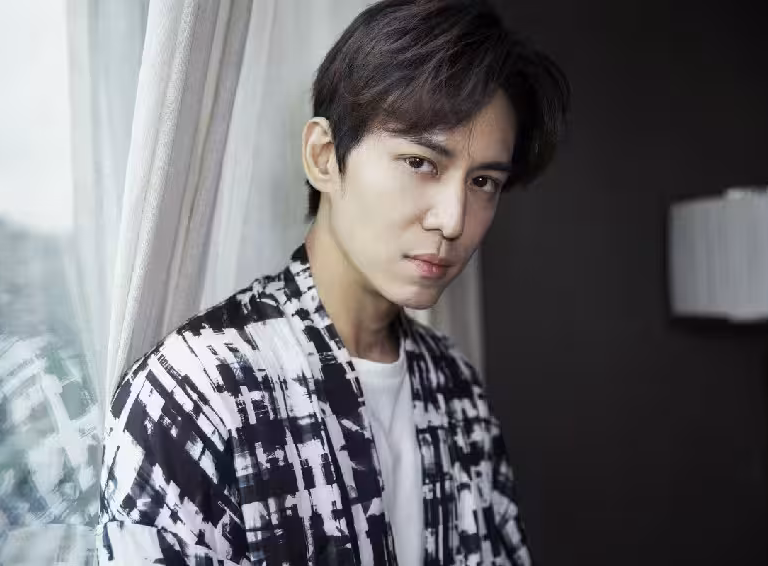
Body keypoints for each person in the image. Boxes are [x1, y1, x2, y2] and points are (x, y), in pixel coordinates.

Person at [97, 0, 569, 564]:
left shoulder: (456, 387)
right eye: (421, 163)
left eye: (484, 181)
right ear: (324, 157)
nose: (453, 220)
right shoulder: (195, 394)